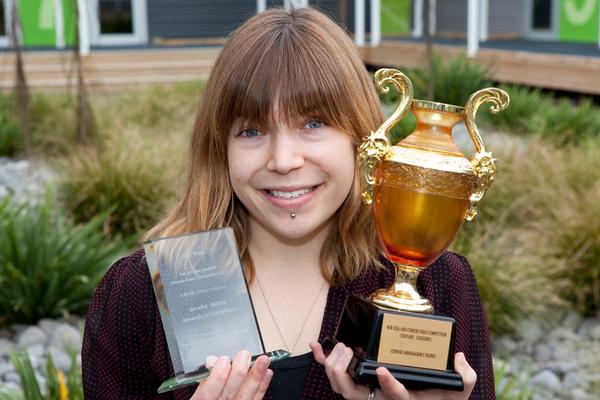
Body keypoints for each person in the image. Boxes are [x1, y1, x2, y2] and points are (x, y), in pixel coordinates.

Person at [82, 6, 494, 400]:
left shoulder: (437, 284)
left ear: (363, 139)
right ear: (218, 148)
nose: (283, 161)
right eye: (251, 131)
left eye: (313, 124)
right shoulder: (143, 293)